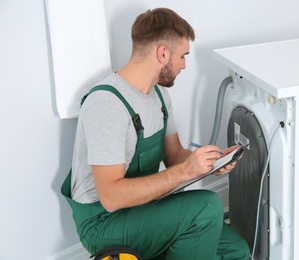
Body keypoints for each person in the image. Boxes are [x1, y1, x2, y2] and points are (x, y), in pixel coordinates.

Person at [61, 7, 250, 260]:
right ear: (163, 53)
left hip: (143, 207)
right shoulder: (106, 104)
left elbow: (174, 155)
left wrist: (210, 163)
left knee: (236, 251)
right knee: (206, 208)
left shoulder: (160, 96)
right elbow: (111, 197)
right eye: (182, 56)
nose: (184, 65)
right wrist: (185, 171)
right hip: (104, 222)